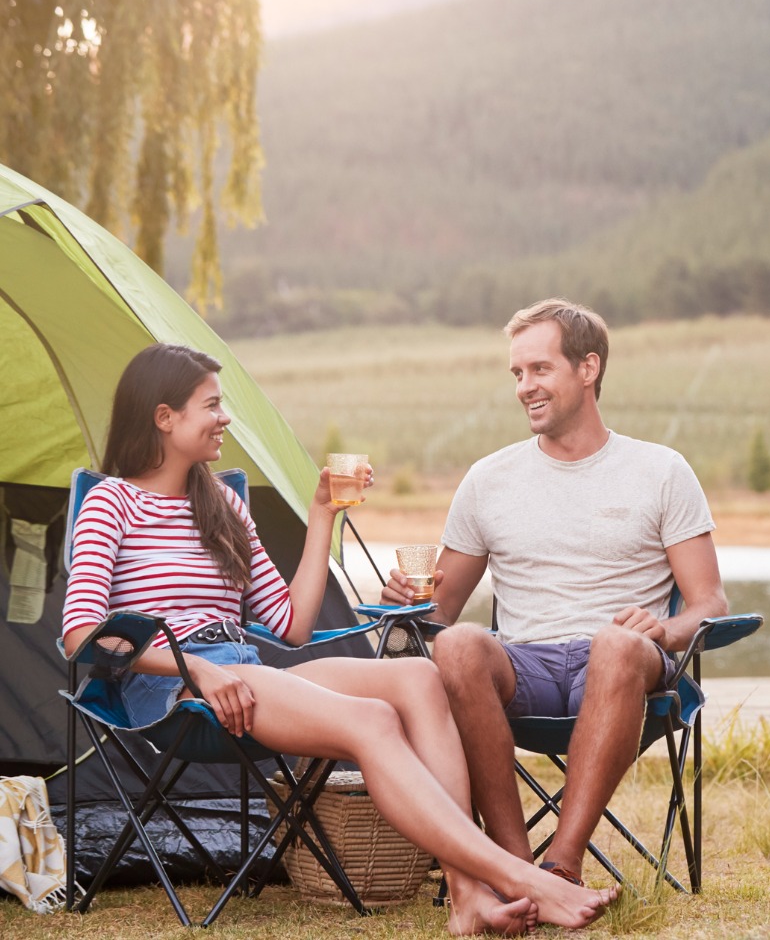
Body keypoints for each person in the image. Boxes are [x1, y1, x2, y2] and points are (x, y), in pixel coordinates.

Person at [61, 343, 615, 935]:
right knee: (373, 720)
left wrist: (321, 513)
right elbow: (81, 638)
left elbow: (290, 625)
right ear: (164, 417)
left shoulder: (219, 503)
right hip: (175, 690)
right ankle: (522, 878)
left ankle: (467, 896)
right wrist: (196, 670)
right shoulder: (111, 502)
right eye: (211, 406)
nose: (224, 418)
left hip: (244, 672)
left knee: (419, 677)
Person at [381, 298, 728, 889]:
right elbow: (439, 614)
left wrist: (662, 631)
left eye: (539, 369)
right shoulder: (488, 480)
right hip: (525, 665)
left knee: (614, 645)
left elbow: (710, 604)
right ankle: (514, 867)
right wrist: (403, 604)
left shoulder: (661, 470)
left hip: (626, 667)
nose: (524, 387)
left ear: (587, 369)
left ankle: (562, 865)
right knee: (461, 645)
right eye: (517, 373)